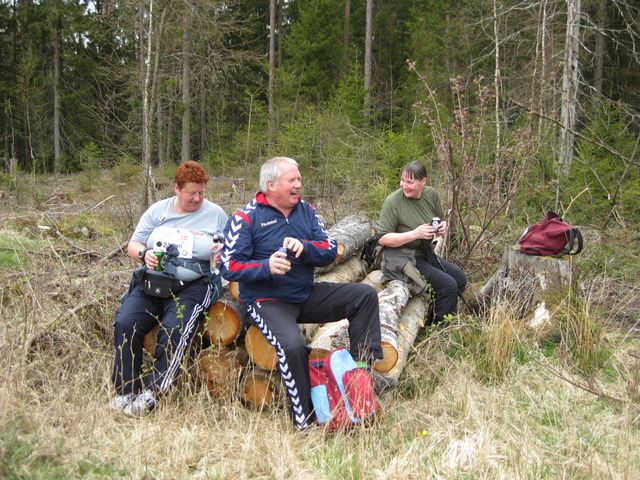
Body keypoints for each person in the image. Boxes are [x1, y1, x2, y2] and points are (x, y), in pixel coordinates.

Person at [220, 156, 382, 430]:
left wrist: (305, 248)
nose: (298, 185)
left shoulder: (306, 211)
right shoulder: (245, 218)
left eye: (299, 179)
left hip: (305, 294)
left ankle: (360, 376)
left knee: (363, 296)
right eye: (292, 180)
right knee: (293, 347)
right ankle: (304, 420)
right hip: (266, 301)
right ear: (271, 185)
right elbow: (229, 265)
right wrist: (266, 266)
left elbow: (329, 249)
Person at [111, 161, 228, 417]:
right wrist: (144, 254)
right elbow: (133, 245)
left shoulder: (216, 214)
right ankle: (125, 390)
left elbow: (230, 251)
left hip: (193, 286)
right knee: (125, 322)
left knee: (174, 329)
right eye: (191, 193)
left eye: (201, 192)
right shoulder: (158, 211)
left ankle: (154, 391)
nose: (197, 198)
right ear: (177, 188)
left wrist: (222, 253)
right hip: (153, 282)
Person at [378, 160, 466, 324]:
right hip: (402, 257)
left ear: (423, 181)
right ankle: (440, 328)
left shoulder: (431, 195)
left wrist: (442, 226)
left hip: (425, 252)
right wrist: (414, 234)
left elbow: (439, 219)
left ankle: (435, 311)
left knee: (459, 279)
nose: (404, 186)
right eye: (402, 180)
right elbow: (383, 238)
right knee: (448, 285)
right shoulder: (393, 202)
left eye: (410, 182)